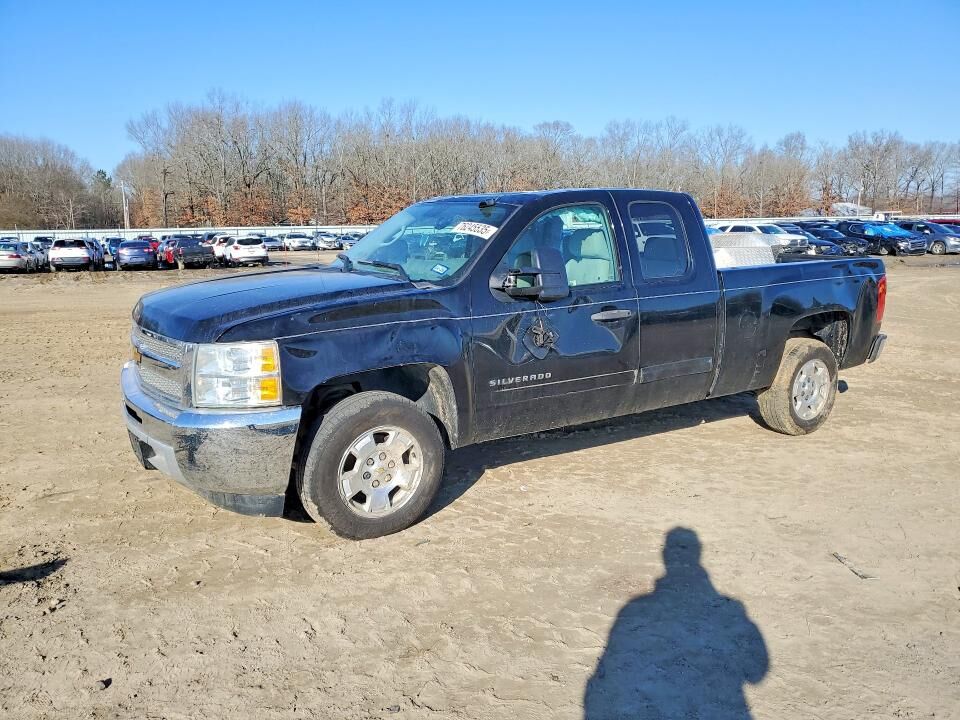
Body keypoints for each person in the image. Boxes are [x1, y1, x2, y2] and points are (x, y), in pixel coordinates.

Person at [584, 528, 768, 719]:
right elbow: (757, 673)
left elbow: (609, 674)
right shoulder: (732, 611)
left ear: (664, 556)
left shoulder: (634, 609)